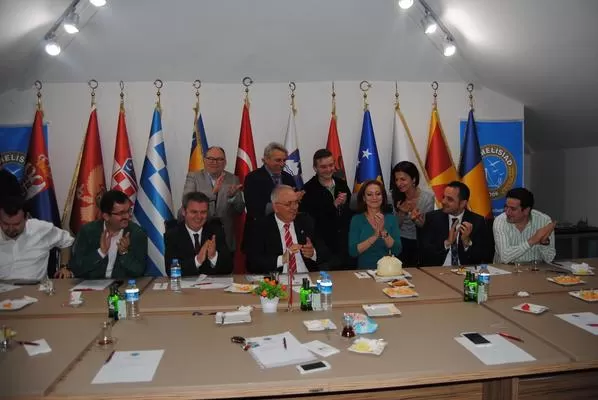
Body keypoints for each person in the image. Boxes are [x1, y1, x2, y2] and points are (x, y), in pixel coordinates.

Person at [246, 185, 329, 274]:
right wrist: (282, 259)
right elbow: (253, 263)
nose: (294, 207)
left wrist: (313, 253)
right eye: (288, 204)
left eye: (296, 202)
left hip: (307, 276)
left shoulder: (306, 221)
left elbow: (325, 251)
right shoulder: (260, 227)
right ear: (275, 207)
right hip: (277, 279)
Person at [70, 190, 147, 279]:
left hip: (123, 284)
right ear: (106, 216)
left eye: (128, 211)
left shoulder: (137, 233)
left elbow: (139, 271)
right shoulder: (88, 232)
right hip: (91, 285)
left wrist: (124, 253)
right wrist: (100, 253)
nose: (127, 216)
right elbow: (76, 268)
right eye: (121, 213)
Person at [182, 146, 244, 253]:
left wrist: (232, 197)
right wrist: (212, 193)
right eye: (210, 158)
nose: (214, 162)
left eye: (219, 159)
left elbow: (239, 210)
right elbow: (186, 201)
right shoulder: (193, 177)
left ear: (225, 162)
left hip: (225, 238)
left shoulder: (233, 179)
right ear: (204, 160)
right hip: (200, 234)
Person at [300, 149, 353, 268]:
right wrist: (332, 206)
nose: (329, 169)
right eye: (323, 167)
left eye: (331, 165)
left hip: (344, 244)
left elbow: (349, 212)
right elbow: (310, 220)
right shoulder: (308, 189)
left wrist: (345, 203)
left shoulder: (341, 183)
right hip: (323, 247)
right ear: (315, 168)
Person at [0, 195, 73, 280]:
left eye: (16, 224)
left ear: (26, 217)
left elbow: (67, 241)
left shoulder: (41, 229)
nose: (11, 229)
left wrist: (64, 267)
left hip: (35, 286)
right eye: (6, 224)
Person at [419, 181, 487, 266]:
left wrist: (467, 242)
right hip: (438, 270)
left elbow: (481, 257)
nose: (443, 201)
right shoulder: (432, 218)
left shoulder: (477, 221)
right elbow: (425, 253)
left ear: (462, 204)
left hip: (464, 270)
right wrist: (447, 243)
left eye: (450, 199)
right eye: (443, 197)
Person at [165, 191, 232, 276]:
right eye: (194, 212)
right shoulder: (173, 235)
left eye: (203, 212)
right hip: (185, 284)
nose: (199, 217)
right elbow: (171, 271)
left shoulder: (216, 232)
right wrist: (197, 260)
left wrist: (214, 257)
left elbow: (228, 268)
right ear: (184, 212)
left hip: (211, 284)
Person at [243, 142, 296, 248]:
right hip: (260, 234)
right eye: (278, 160)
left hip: (284, 232)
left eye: (284, 160)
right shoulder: (253, 178)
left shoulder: (288, 178)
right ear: (266, 159)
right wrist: (282, 204)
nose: (282, 164)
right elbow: (254, 208)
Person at [493, 187, 556, 264]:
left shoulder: (544, 221)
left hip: (535, 268)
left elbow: (549, 259)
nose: (507, 212)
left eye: (513, 209)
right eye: (506, 207)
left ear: (526, 210)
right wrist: (532, 240)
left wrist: (544, 242)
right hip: (505, 269)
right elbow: (505, 257)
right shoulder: (500, 221)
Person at [348, 180, 402, 269]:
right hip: (364, 271)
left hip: (388, 271)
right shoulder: (356, 219)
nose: (374, 198)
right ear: (364, 198)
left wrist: (383, 231)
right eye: (369, 194)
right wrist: (375, 236)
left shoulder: (391, 219)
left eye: (378, 194)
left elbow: (397, 250)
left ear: (383, 197)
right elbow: (353, 252)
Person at [390, 161, 434, 266]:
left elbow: (425, 227)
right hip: (400, 239)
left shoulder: (427, 198)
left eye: (403, 179)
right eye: (396, 180)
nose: (399, 183)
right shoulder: (393, 196)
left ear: (413, 179)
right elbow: (394, 227)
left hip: (419, 241)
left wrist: (416, 220)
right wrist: (402, 212)